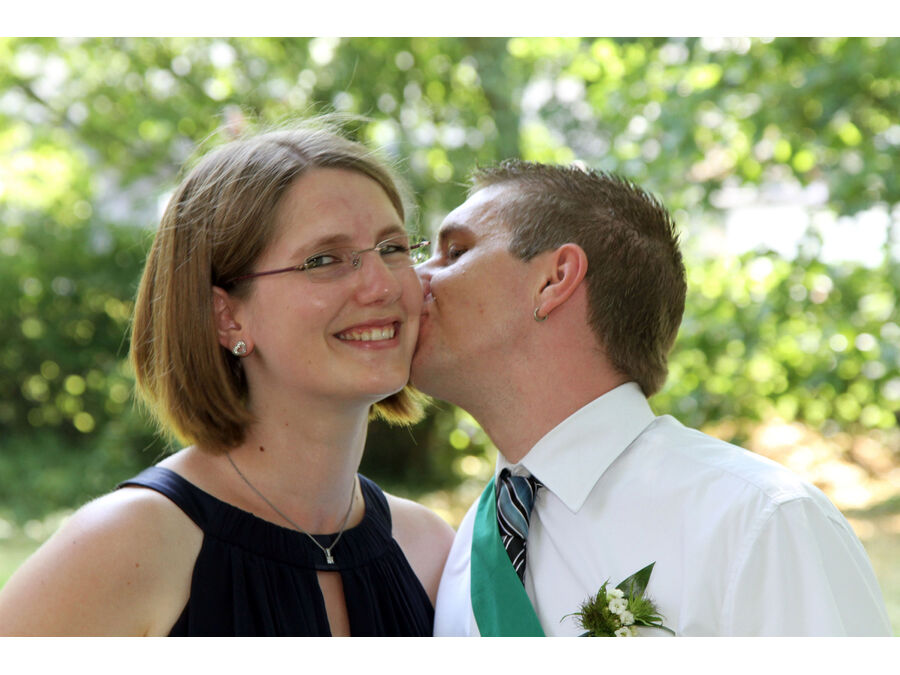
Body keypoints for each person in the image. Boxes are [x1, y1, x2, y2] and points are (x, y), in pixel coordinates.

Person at [0, 121, 454, 636]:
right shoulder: (127, 547)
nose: (382, 285)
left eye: (392, 248)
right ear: (226, 316)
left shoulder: (431, 551)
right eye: (324, 259)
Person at [411, 159, 892, 636]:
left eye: (454, 253)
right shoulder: (468, 550)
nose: (413, 279)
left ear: (554, 278)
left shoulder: (762, 522)